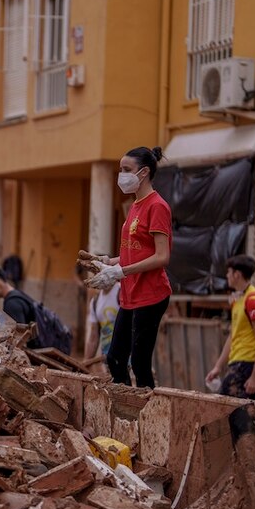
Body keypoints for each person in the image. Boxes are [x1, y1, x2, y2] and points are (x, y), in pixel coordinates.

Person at [81, 146, 173, 389]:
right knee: (115, 358)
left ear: (143, 173)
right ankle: (124, 405)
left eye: (126, 170)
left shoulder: (157, 206)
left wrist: (120, 272)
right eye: (120, 169)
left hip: (151, 294)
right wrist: (107, 262)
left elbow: (162, 256)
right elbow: (134, 251)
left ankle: (147, 415)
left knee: (140, 363)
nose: (121, 175)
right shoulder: (134, 205)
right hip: (130, 293)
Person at [205, 255, 255, 401]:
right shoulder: (239, 300)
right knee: (248, 414)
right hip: (237, 363)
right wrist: (218, 367)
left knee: (223, 408)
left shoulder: (253, 301)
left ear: (237, 275)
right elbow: (232, 337)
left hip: (247, 364)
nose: (227, 276)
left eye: (229, 272)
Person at [85, 281, 120, 373]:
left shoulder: (121, 293)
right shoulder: (95, 302)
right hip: (107, 360)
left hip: (126, 359)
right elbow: (93, 337)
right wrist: (86, 363)